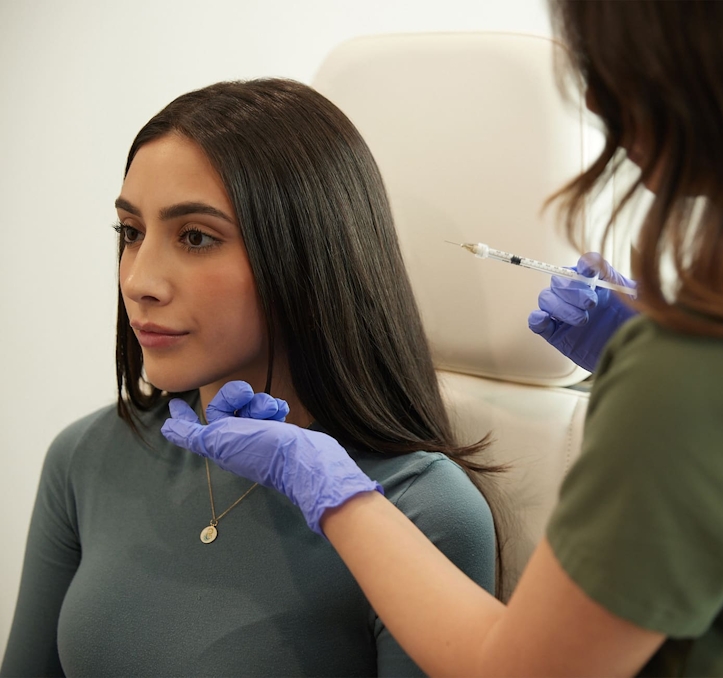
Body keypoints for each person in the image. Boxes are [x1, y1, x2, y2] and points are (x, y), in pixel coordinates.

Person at [156, 1, 723, 675]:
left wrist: (327, 481)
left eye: (611, 64)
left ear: (720, 73)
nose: (597, 102)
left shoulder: (703, 374)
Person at [0, 78, 501, 677]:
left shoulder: (425, 512)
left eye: (195, 237)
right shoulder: (87, 456)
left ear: (308, 255)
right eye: (131, 232)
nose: (138, 280)